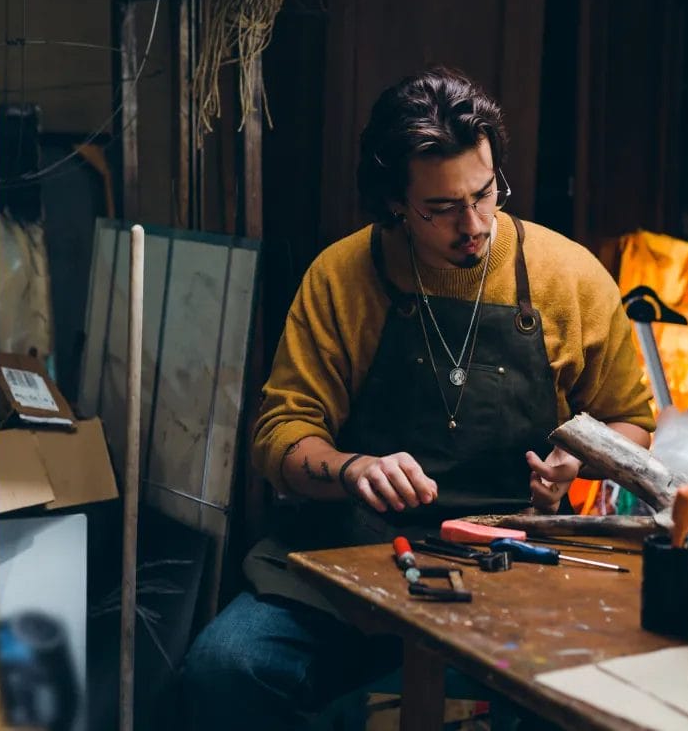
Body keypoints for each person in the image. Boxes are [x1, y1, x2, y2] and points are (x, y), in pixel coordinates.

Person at [180, 67, 654, 728]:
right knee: (224, 670)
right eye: (441, 208)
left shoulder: (567, 276)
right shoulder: (341, 276)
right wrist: (353, 468)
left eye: (485, 193)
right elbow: (279, 433)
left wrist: (582, 460)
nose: (474, 223)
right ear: (395, 202)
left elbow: (632, 420)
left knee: (564, 702)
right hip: (354, 559)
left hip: (512, 565)